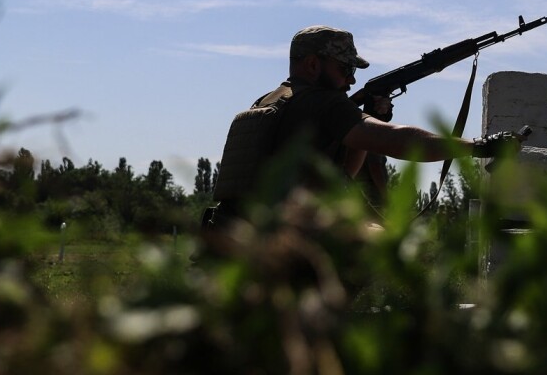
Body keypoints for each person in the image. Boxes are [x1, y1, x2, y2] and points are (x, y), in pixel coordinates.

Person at [206, 25, 518, 225]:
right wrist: (479, 147)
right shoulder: (322, 102)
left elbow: (342, 175)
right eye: (344, 69)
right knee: (383, 242)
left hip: (234, 232)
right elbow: (397, 140)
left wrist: (371, 115)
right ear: (313, 65)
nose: (351, 79)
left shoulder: (270, 100)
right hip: (281, 241)